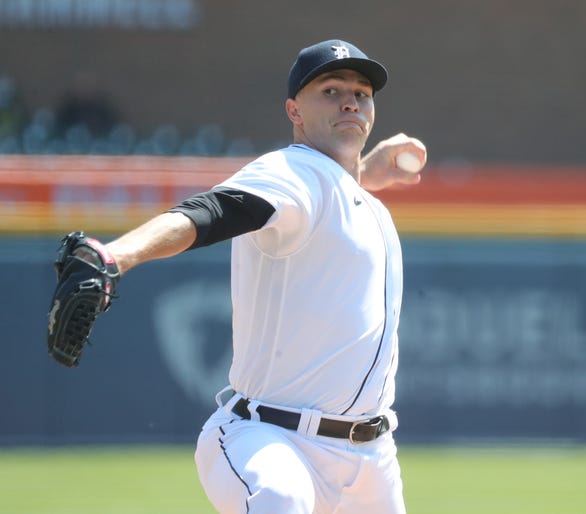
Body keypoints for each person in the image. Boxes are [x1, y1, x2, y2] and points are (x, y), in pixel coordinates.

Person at [103, 39, 426, 514]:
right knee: (280, 499)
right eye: (331, 90)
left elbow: (334, 199)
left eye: (362, 92)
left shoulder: (350, 195)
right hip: (272, 439)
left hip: (371, 461)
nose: (351, 100)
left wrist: (363, 172)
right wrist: (117, 255)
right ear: (294, 110)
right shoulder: (289, 170)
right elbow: (213, 211)